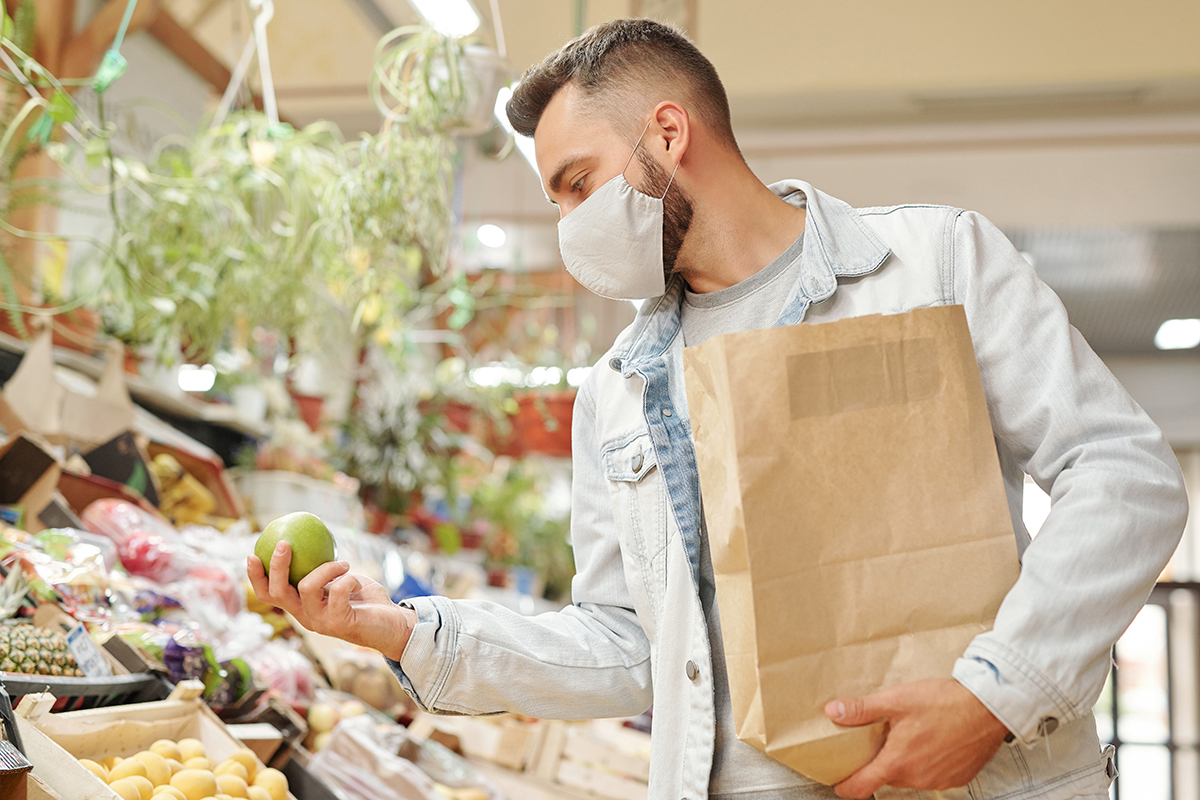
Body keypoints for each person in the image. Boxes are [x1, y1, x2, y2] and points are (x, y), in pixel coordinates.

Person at [247, 18, 1189, 800]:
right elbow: (623, 644)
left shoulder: (936, 267)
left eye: (577, 182)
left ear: (667, 133)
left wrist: (996, 695)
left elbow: (1123, 475)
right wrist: (408, 629)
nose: (571, 223)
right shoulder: (616, 389)